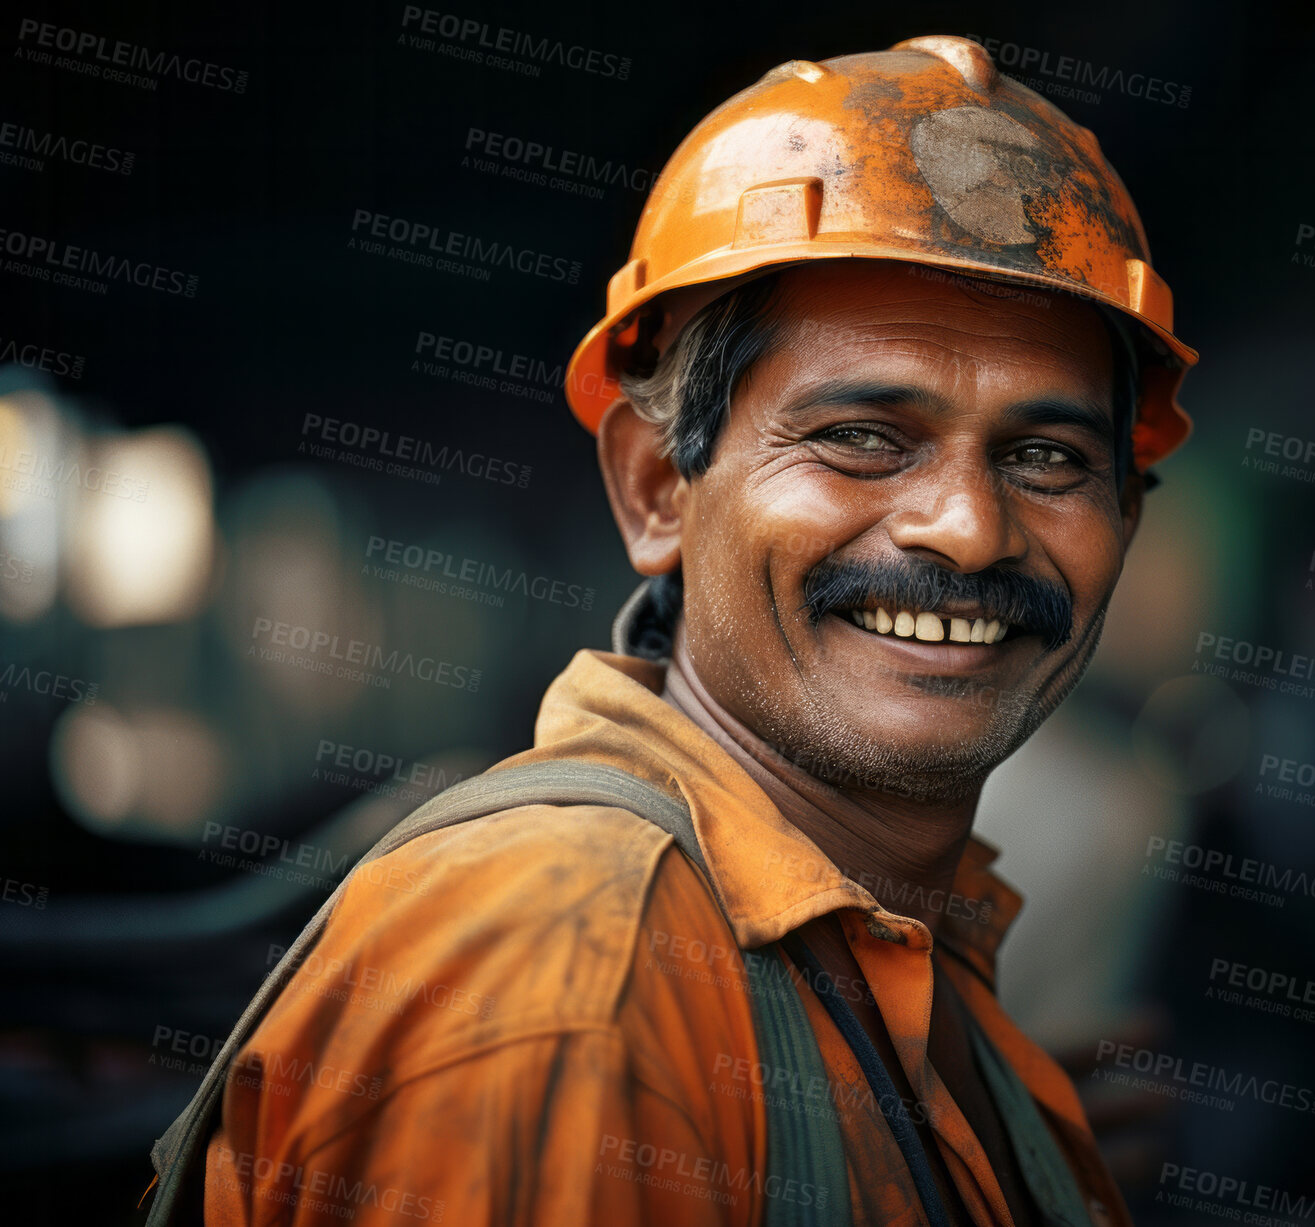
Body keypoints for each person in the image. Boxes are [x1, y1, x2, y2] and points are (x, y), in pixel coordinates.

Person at [182, 34, 1197, 1227]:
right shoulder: (574, 963)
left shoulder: (903, 970)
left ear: (1124, 517)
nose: (970, 532)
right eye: (864, 434)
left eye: (1047, 456)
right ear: (660, 486)